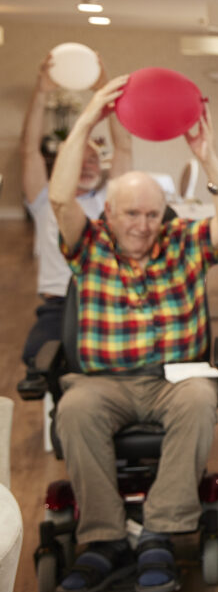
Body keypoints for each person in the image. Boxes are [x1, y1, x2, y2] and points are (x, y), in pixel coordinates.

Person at [49, 77, 218, 592]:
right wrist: (89, 116)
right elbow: (58, 194)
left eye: (152, 214)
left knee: (201, 398)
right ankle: (104, 539)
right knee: (74, 409)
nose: (142, 225)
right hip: (103, 382)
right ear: (108, 213)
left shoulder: (181, 242)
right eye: (131, 213)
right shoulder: (87, 245)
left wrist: (208, 157)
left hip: (172, 381)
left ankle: (160, 527)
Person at [19, 52, 132, 367]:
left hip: (108, 301)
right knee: (38, 360)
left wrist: (106, 90)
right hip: (59, 305)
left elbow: (124, 147)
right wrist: (41, 92)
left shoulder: (111, 199)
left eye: (93, 159)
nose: (87, 165)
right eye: (79, 160)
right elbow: (29, 150)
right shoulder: (45, 199)